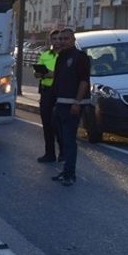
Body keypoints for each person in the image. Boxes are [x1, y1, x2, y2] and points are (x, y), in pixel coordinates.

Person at [48, 28, 90, 187]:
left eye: (65, 38)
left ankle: (70, 174)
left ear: (72, 40)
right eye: (59, 39)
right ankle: (65, 170)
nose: (61, 41)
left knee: (69, 140)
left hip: (72, 105)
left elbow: (84, 81)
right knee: (63, 139)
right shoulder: (61, 57)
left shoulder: (80, 57)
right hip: (60, 103)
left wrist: (77, 102)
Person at [34, 29, 61, 163]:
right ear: (50, 41)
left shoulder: (65, 55)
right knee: (47, 123)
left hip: (59, 92)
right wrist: (42, 73)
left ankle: (63, 154)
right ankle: (49, 153)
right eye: (54, 39)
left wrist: (53, 74)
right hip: (46, 91)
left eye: (59, 39)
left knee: (58, 124)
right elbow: (37, 73)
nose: (57, 42)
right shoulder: (45, 55)